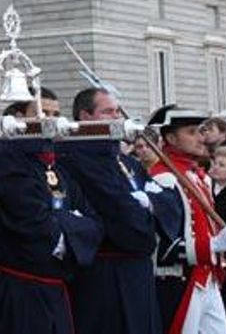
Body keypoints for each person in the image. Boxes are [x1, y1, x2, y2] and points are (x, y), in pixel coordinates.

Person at [62, 87, 181, 334]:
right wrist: (146, 213)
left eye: (117, 111)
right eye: (108, 112)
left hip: (138, 271)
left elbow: (170, 203)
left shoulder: (127, 161)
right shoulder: (77, 159)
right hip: (106, 273)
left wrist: (150, 205)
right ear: (85, 117)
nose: (117, 118)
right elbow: (121, 212)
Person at [0, 98, 102, 334]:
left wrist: (61, 222)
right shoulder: (8, 162)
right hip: (22, 293)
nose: (51, 119)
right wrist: (70, 225)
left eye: (56, 113)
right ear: (19, 119)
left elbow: (94, 223)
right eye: (43, 112)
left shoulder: (59, 167)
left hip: (57, 291)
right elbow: (33, 221)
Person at [147, 105, 226, 334]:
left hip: (206, 276)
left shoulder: (197, 176)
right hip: (181, 279)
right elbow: (164, 244)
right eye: (191, 132)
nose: (201, 138)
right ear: (171, 138)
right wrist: (212, 245)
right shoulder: (164, 179)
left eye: (200, 131)